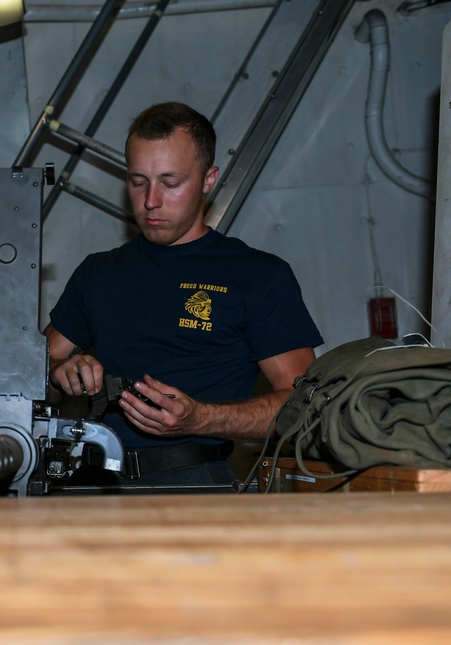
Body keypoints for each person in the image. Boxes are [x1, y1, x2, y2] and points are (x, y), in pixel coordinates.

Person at [45, 101, 322, 488]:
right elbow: (38, 361)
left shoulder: (257, 276)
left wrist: (202, 418)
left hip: (193, 483)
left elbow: (303, 407)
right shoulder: (98, 272)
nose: (151, 201)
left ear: (209, 180)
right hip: (89, 483)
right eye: (138, 182)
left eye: (171, 183)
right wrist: (60, 371)